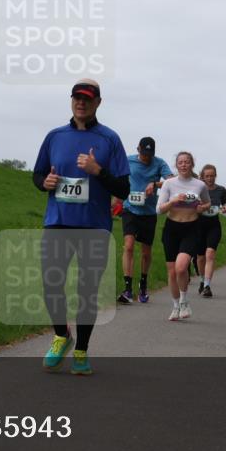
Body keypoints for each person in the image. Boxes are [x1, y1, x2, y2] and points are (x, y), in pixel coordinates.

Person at [33, 80, 130, 375]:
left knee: (87, 291)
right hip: (58, 222)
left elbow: (124, 188)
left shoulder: (109, 139)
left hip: (94, 226)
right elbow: (38, 175)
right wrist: (44, 183)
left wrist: (97, 171)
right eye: (77, 98)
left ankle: (82, 351)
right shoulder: (55, 136)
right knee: (52, 283)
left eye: (87, 99)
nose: (81, 103)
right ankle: (62, 335)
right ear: (71, 101)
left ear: (98, 102)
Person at [118, 137, 174, 304]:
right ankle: (127, 289)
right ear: (138, 149)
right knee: (128, 246)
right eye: (144, 154)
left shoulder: (159, 163)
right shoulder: (128, 160)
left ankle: (143, 285)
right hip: (130, 210)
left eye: (150, 154)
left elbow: (172, 182)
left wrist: (155, 184)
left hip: (149, 213)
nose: (146, 157)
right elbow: (117, 176)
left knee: (145, 252)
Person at [156, 152, 211, 321]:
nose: (184, 165)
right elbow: (159, 210)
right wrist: (173, 201)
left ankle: (184, 301)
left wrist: (202, 208)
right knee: (172, 272)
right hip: (172, 228)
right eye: (180, 162)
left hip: (191, 228)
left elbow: (207, 203)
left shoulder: (200, 185)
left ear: (192, 164)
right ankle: (175, 306)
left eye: (187, 162)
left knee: (181, 267)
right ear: (176, 165)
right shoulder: (168, 184)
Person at [196, 164, 226, 298]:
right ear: (203, 177)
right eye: (207, 176)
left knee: (210, 254)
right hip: (198, 225)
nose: (210, 178)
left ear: (216, 176)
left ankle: (207, 286)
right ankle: (202, 280)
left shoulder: (221, 190)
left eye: (212, 176)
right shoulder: (197, 188)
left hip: (214, 225)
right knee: (200, 257)